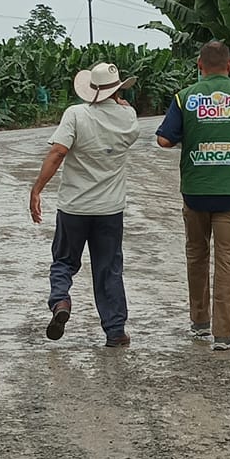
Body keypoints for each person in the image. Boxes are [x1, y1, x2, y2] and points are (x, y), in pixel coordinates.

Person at [156, 39, 230, 349]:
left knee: (196, 255)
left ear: (200, 65)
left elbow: (164, 140)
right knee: (227, 262)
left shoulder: (185, 97)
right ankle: (223, 335)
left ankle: (199, 322)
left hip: (195, 191)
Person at [29, 60, 140, 347]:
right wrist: (122, 106)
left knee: (64, 261)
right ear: (118, 90)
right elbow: (126, 119)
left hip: (74, 208)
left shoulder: (76, 114)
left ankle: (61, 301)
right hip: (110, 210)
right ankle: (115, 331)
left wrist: (37, 189)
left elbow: (57, 153)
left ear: (92, 89)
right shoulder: (129, 118)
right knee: (109, 269)